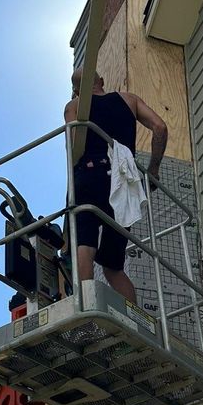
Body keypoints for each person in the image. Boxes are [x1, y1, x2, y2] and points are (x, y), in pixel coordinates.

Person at [64, 68, 168, 304]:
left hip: (90, 176)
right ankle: (135, 319)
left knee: (85, 247)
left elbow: (73, 152)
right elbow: (160, 127)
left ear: (76, 91)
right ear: (101, 81)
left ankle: (86, 309)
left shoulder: (74, 107)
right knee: (113, 267)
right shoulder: (129, 100)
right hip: (123, 183)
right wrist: (153, 171)